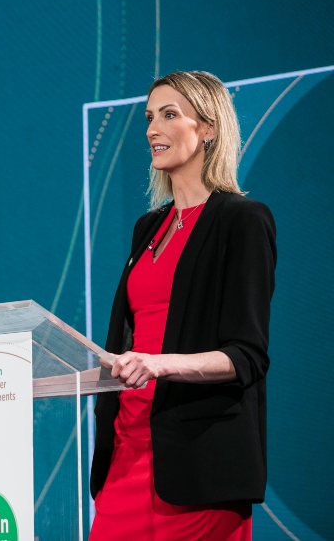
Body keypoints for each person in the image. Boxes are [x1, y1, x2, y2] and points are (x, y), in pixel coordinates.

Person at [88, 71, 276, 540]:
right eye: (150, 117)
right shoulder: (147, 228)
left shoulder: (242, 221)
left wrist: (157, 365)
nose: (152, 129)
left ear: (208, 128)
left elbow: (246, 356)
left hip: (199, 462)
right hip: (126, 451)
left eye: (170, 115)